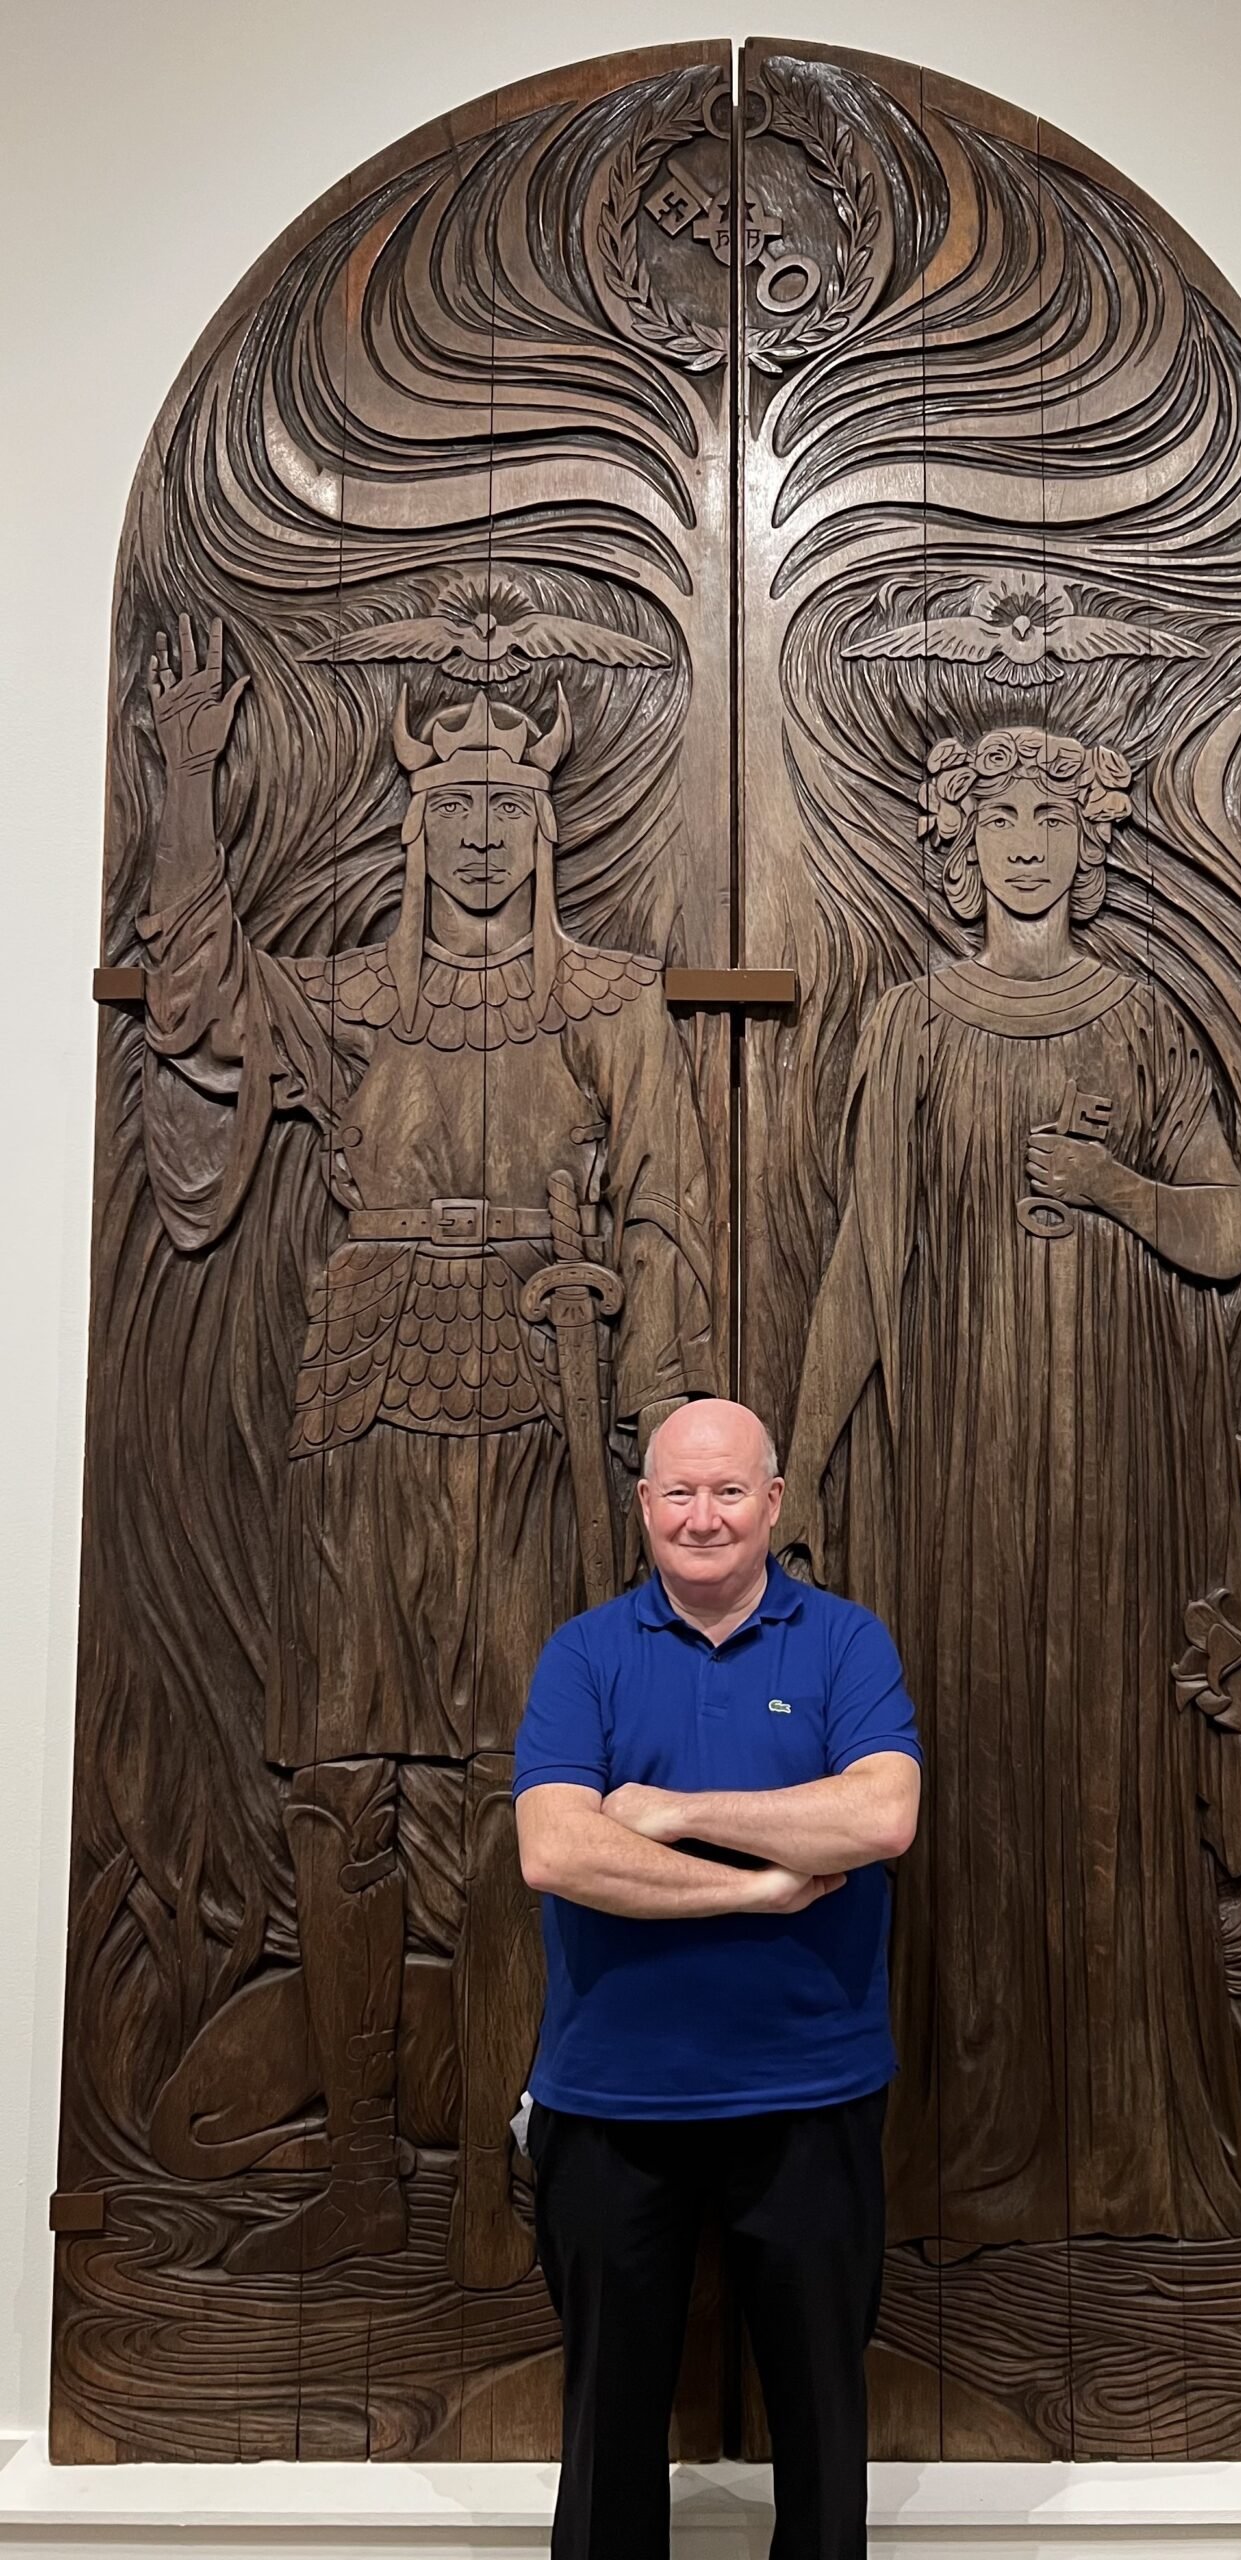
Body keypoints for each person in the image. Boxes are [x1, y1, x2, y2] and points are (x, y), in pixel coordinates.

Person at [138, 615, 715, 2284]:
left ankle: (484, 2189)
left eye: (504, 808)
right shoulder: (357, 999)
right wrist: (187, 778)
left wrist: (649, 1443)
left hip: (529, 1414)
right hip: (358, 1403)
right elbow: (192, 996)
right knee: (337, 1793)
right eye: (451, 802)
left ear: (541, 827)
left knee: (493, 1793)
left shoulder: (610, 1001)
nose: (476, 830)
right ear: (415, 823)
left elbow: (670, 1226)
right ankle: (364, 2182)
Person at [778, 724, 1241, 2252]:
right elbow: (861, 1259)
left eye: (1052, 819)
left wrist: (1115, 1187)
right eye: (999, 823)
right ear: (960, 847)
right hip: (961, 1464)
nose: (1028, 847)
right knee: (968, 1777)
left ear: (1084, 842)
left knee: (1109, 1772)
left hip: (1111, 1458)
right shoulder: (914, 1028)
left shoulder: (1141, 1025)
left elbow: (1229, 1234)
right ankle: (971, 2152)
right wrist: (802, 1464)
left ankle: (1122, 2148)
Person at [513, 1398, 921, 2560]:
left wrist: (677, 1812)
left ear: (773, 1503)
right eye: (679, 1493)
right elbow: (556, 1849)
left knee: (822, 2423)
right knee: (605, 2439)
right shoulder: (584, 1653)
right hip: (608, 2103)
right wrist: (758, 1885)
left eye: (729, 1491)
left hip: (811, 2093)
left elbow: (881, 1814)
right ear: (644, 1507)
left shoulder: (846, 1642)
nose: (703, 1517)